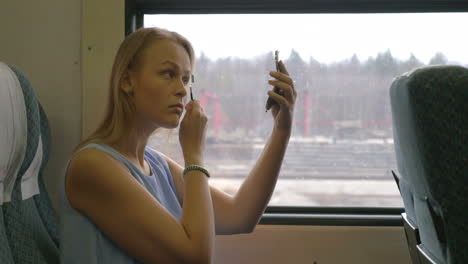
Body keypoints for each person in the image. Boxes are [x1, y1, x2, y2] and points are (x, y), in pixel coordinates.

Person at [59, 27, 297, 264]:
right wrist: (194, 155)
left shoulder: (156, 163)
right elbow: (195, 259)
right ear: (127, 80)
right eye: (168, 74)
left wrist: (281, 129)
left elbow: (241, 215)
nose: (182, 90)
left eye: (185, 79)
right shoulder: (91, 166)